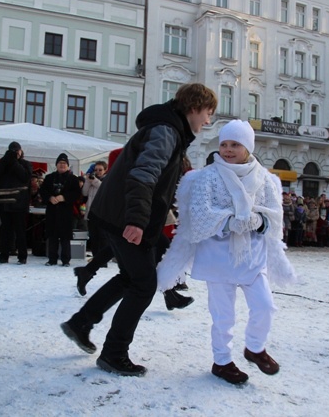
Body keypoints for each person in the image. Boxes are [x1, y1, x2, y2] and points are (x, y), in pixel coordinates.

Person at [61, 83, 218, 377]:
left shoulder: (169, 128)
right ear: (195, 108)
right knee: (144, 285)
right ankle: (114, 353)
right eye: (208, 113)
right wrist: (135, 220)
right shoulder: (166, 130)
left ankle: (81, 322)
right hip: (124, 217)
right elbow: (144, 174)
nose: (207, 121)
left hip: (116, 213)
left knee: (129, 277)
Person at [156, 120, 295, 384]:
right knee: (223, 316)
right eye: (224, 144)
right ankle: (222, 361)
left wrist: (260, 220)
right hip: (217, 259)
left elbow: (275, 215)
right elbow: (199, 216)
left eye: (235, 144)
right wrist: (229, 221)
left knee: (265, 306)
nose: (228, 149)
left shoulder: (264, 178)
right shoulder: (207, 176)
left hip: (252, 258)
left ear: (248, 147)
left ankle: (255, 348)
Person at [0, 141, 32, 265]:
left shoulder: (25, 164)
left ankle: (22, 256)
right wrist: (6, 159)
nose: (16, 153)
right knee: (5, 231)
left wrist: (14, 162)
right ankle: (3, 255)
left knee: (20, 231)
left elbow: (25, 177)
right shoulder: (3, 163)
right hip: (4, 202)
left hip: (19, 202)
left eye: (17, 151)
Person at [40, 153, 81, 267]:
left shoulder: (73, 179)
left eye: (64, 163)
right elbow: (43, 191)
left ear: (68, 166)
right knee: (52, 236)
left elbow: (76, 193)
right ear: (56, 165)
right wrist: (49, 197)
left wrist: (64, 197)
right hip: (52, 210)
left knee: (65, 237)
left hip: (66, 211)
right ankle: (52, 259)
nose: (62, 165)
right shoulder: (49, 178)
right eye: (60, 163)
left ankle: (66, 260)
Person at [82, 160, 108, 257]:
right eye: (96, 169)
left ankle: (103, 259)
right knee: (93, 237)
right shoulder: (91, 179)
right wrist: (88, 181)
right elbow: (84, 192)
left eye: (100, 170)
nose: (97, 172)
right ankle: (96, 258)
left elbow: (103, 189)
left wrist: (94, 181)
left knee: (102, 237)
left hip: (103, 213)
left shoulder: (108, 179)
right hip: (91, 212)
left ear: (105, 170)